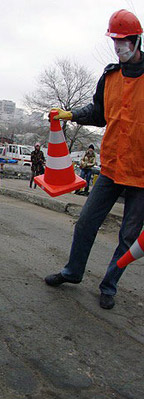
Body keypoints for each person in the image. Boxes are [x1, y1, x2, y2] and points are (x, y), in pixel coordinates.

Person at [45, 9, 144, 310]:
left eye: (124, 41)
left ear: (137, 40)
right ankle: (73, 272)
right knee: (86, 222)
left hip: (141, 175)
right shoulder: (110, 75)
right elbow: (98, 114)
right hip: (111, 168)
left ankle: (109, 285)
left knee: (128, 236)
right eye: (115, 41)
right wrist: (70, 115)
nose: (118, 47)